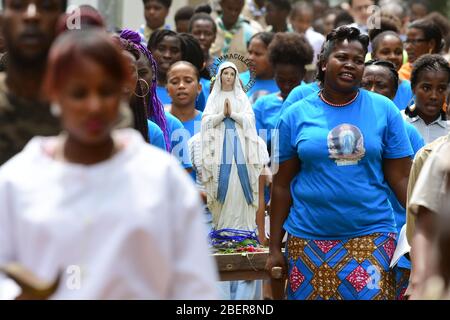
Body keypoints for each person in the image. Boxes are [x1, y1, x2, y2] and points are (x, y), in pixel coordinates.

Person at [0, 29, 218, 300]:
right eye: (79, 93)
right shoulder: (17, 181)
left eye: (105, 91)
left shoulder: (161, 177)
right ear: (53, 94)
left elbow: (196, 288)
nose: (93, 106)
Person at [266, 26, 413, 300]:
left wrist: (427, 228)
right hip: (307, 239)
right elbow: (281, 185)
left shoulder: (385, 110)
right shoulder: (294, 116)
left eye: (358, 60)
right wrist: (275, 247)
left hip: (371, 236)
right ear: (323, 62)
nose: (351, 65)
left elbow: (401, 179)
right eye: (342, 57)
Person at [361, 59, 425, 299]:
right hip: (364, 234)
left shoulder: (407, 132)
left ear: (395, 92)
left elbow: (416, 186)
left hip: (400, 241)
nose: (373, 92)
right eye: (366, 84)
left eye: (381, 86)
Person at [0, 0, 67, 165]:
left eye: (46, 6)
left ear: (63, 21)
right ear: (2, 21)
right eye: (17, 5)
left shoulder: (96, 110)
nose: (32, 15)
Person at [253, 32, 313, 153]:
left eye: (292, 81)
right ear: (274, 73)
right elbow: (257, 146)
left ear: (303, 74)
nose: (286, 86)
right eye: (281, 79)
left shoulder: (313, 101)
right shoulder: (262, 105)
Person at [402, 54, 450, 144]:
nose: (434, 96)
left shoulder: (448, 129)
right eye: (426, 88)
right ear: (413, 87)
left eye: (441, 89)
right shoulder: (399, 122)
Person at [210, 0, 259, 68]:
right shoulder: (211, 30)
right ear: (221, 5)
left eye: (237, 10)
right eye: (229, 8)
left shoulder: (250, 33)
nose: (233, 13)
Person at [372, 31, 413, 110]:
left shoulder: (410, 90)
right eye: (385, 52)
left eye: (398, 52)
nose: (393, 56)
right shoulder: (362, 88)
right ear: (373, 56)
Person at [148, 29, 182, 109]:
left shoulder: (189, 90)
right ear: (149, 51)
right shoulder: (142, 89)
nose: (167, 55)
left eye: (174, 51)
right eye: (161, 49)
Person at [240, 32, 278, 104]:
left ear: (273, 56)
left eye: (258, 54)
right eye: (250, 52)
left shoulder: (287, 86)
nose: (251, 58)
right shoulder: (236, 81)